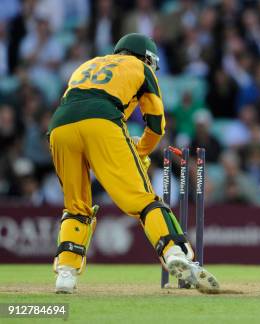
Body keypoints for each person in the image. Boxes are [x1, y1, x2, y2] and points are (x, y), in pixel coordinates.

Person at [48, 33, 219, 294]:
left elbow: (76, 104)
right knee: (143, 200)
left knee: (75, 206)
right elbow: (156, 124)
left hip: (60, 126)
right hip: (103, 121)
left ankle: (66, 274)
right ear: (147, 57)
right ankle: (175, 252)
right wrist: (140, 150)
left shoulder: (88, 64)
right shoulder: (140, 67)